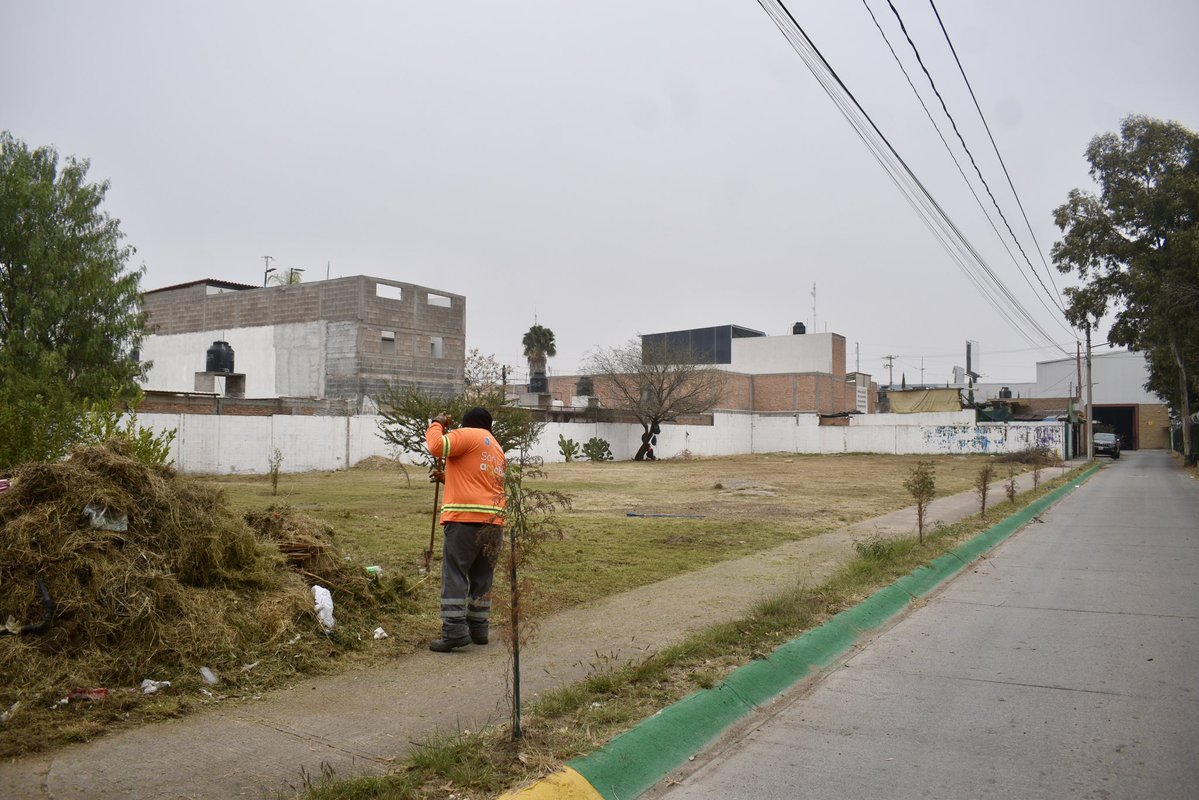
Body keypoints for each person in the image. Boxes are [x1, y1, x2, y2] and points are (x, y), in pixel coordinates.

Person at [425, 406, 507, 652]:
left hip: (464, 521)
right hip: (494, 522)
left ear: (467, 423)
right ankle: (479, 628)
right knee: (482, 575)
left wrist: (436, 424)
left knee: (456, 573)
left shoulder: (468, 434)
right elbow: (477, 481)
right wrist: (448, 479)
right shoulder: (496, 448)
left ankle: (455, 631)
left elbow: (436, 446)